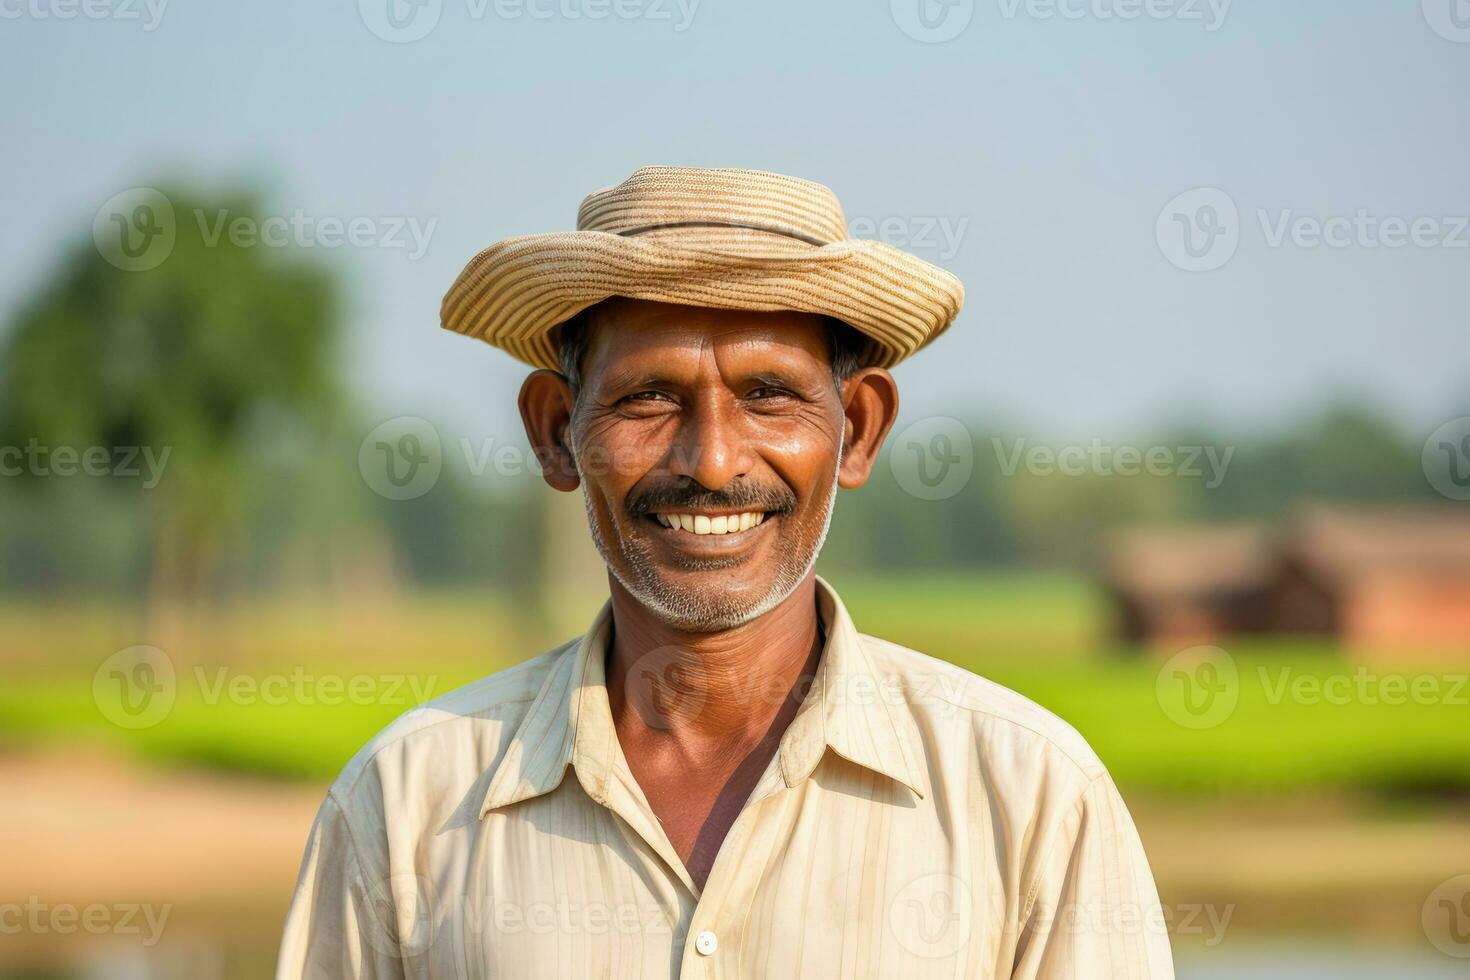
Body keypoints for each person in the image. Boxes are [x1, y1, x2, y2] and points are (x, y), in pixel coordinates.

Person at [277, 166, 1174, 978]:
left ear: (857, 429)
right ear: (557, 431)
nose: (710, 463)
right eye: (648, 395)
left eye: (769, 393)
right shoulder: (404, 806)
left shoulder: (1030, 799)